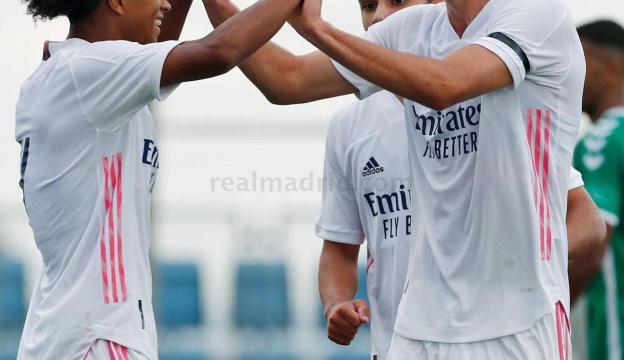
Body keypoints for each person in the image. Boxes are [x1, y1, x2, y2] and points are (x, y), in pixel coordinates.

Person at [205, 0, 586, 358]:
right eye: (369, 5)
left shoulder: (538, 13)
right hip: (416, 328)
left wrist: (317, 28)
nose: (379, 15)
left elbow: (444, 86)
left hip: (519, 322)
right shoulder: (408, 32)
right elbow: (287, 79)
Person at [15, 0, 302, 358]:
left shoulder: (82, 74)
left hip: (73, 334)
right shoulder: (91, 69)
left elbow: (154, 51)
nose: (165, 3)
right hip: (98, 339)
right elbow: (220, 51)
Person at [571, 20, 624, 360]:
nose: (566, 73)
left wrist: (543, 317)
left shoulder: (602, 143)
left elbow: (589, 246)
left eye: (577, 61)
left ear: (611, 64)